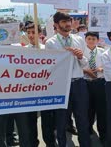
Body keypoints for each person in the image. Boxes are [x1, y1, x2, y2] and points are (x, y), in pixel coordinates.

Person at [45, 12, 91, 147]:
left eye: (69, 21)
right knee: (61, 120)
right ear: (56, 25)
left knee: (82, 119)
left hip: (79, 83)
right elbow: (50, 67)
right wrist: (63, 56)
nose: (68, 24)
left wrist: (80, 56)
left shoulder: (79, 40)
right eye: (64, 22)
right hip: (61, 85)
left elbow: (86, 64)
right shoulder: (50, 43)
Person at [25, 22, 56, 147]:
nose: (31, 35)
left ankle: (50, 143)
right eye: (28, 33)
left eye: (34, 32)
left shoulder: (48, 50)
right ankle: (33, 143)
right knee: (30, 122)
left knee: (48, 121)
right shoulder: (21, 51)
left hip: (45, 91)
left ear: (41, 34)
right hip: (29, 92)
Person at [83, 32, 106, 144]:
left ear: (97, 40)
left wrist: (102, 68)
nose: (91, 41)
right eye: (89, 38)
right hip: (86, 83)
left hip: (100, 83)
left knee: (101, 110)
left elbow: (108, 64)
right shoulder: (81, 52)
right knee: (88, 109)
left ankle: (103, 133)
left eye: (93, 39)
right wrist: (85, 71)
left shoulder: (103, 51)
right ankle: (88, 131)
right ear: (85, 39)